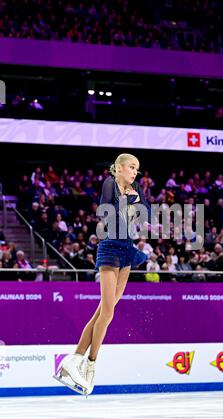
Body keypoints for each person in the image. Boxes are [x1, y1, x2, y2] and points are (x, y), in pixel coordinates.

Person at [55, 153, 151, 396]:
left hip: (127, 250)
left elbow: (147, 213)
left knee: (105, 311)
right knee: (106, 311)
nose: (134, 172)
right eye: (131, 167)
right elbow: (106, 212)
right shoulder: (110, 184)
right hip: (109, 249)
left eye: (136, 169)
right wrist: (130, 203)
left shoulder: (135, 187)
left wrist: (136, 201)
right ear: (118, 168)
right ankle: (76, 360)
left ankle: (87, 364)